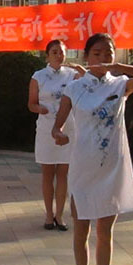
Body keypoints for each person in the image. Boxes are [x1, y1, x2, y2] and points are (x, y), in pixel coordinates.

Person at [52, 33, 133, 265]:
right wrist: (58, 133)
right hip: (83, 164)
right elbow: (58, 124)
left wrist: (119, 67)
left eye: (108, 53)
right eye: (96, 53)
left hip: (112, 165)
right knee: (81, 228)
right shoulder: (74, 88)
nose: (102, 58)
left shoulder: (120, 84)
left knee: (105, 232)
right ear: (87, 56)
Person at [28, 40, 84, 231]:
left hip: (68, 126)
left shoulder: (72, 75)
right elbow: (31, 103)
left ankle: (59, 215)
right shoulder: (38, 76)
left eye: (62, 52)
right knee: (47, 173)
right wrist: (40, 109)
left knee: (63, 174)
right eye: (54, 52)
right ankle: (48, 214)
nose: (59, 56)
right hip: (46, 128)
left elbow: (89, 87)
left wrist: (80, 70)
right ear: (47, 56)